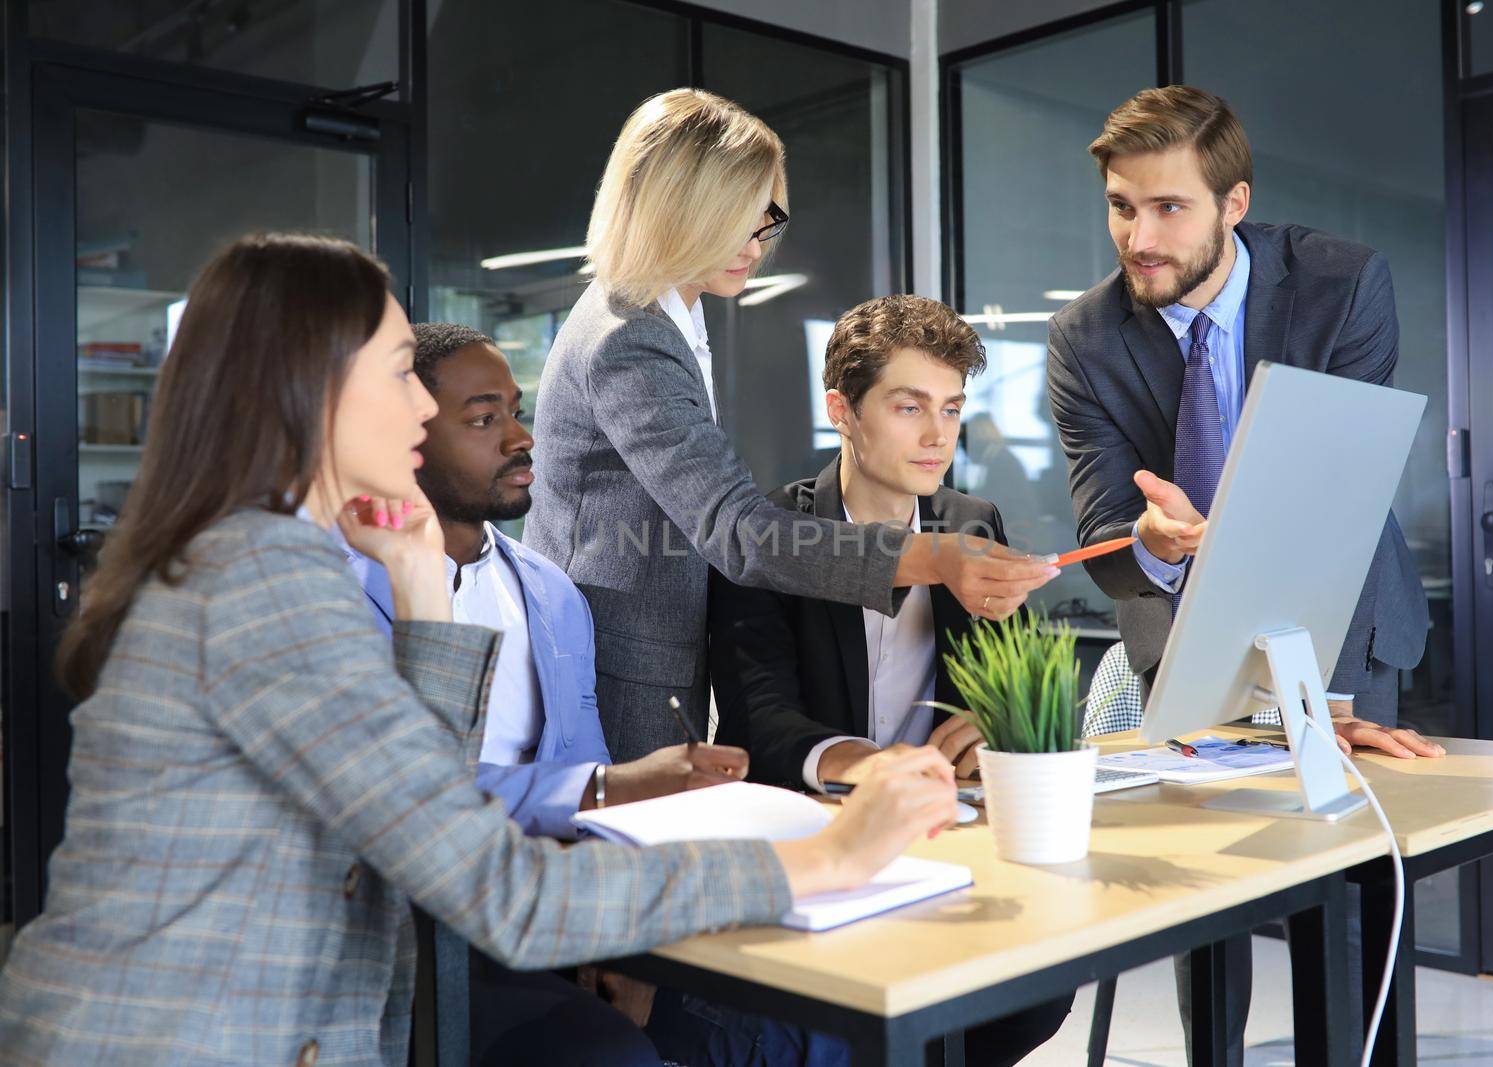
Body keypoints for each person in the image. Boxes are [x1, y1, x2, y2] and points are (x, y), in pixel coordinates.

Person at [0, 233, 959, 1065]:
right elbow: (498, 889)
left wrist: (418, 578)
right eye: (394, 374)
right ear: (309, 388)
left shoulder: (254, 560)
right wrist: (824, 859)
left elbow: (425, 794)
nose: (420, 411)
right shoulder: (261, 589)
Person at [1044, 86, 1445, 1063]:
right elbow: (1105, 524)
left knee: (1354, 897)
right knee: (1208, 899)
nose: (1138, 235)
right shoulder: (1085, 339)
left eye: (1168, 207)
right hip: (1183, 633)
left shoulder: (1340, 283)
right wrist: (1152, 538)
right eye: (1119, 205)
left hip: (1338, 614)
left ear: (1234, 204)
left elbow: (1337, 480)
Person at [526, 88, 1059, 762]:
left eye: (765, 219)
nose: (759, 243)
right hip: (620, 670)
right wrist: (935, 557)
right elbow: (739, 531)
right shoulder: (630, 337)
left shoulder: (666, 322)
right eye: (741, 221)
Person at [336, 321, 755, 1063]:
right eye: (484, 418)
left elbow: (581, 765)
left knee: (740, 1024)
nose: (521, 438)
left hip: (552, 909)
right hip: (413, 931)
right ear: (407, 440)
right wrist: (607, 785)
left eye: (516, 410)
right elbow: (412, 804)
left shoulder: (552, 593)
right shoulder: (340, 593)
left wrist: (615, 938)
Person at [709, 294, 1072, 1066]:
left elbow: (1019, 672)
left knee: (1038, 991)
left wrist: (993, 719)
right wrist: (879, 766)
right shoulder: (770, 536)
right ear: (843, 409)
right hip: (820, 835)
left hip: (953, 836)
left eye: (951, 407)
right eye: (909, 407)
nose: (938, 434)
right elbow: (758, 717)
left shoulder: (971, 522)